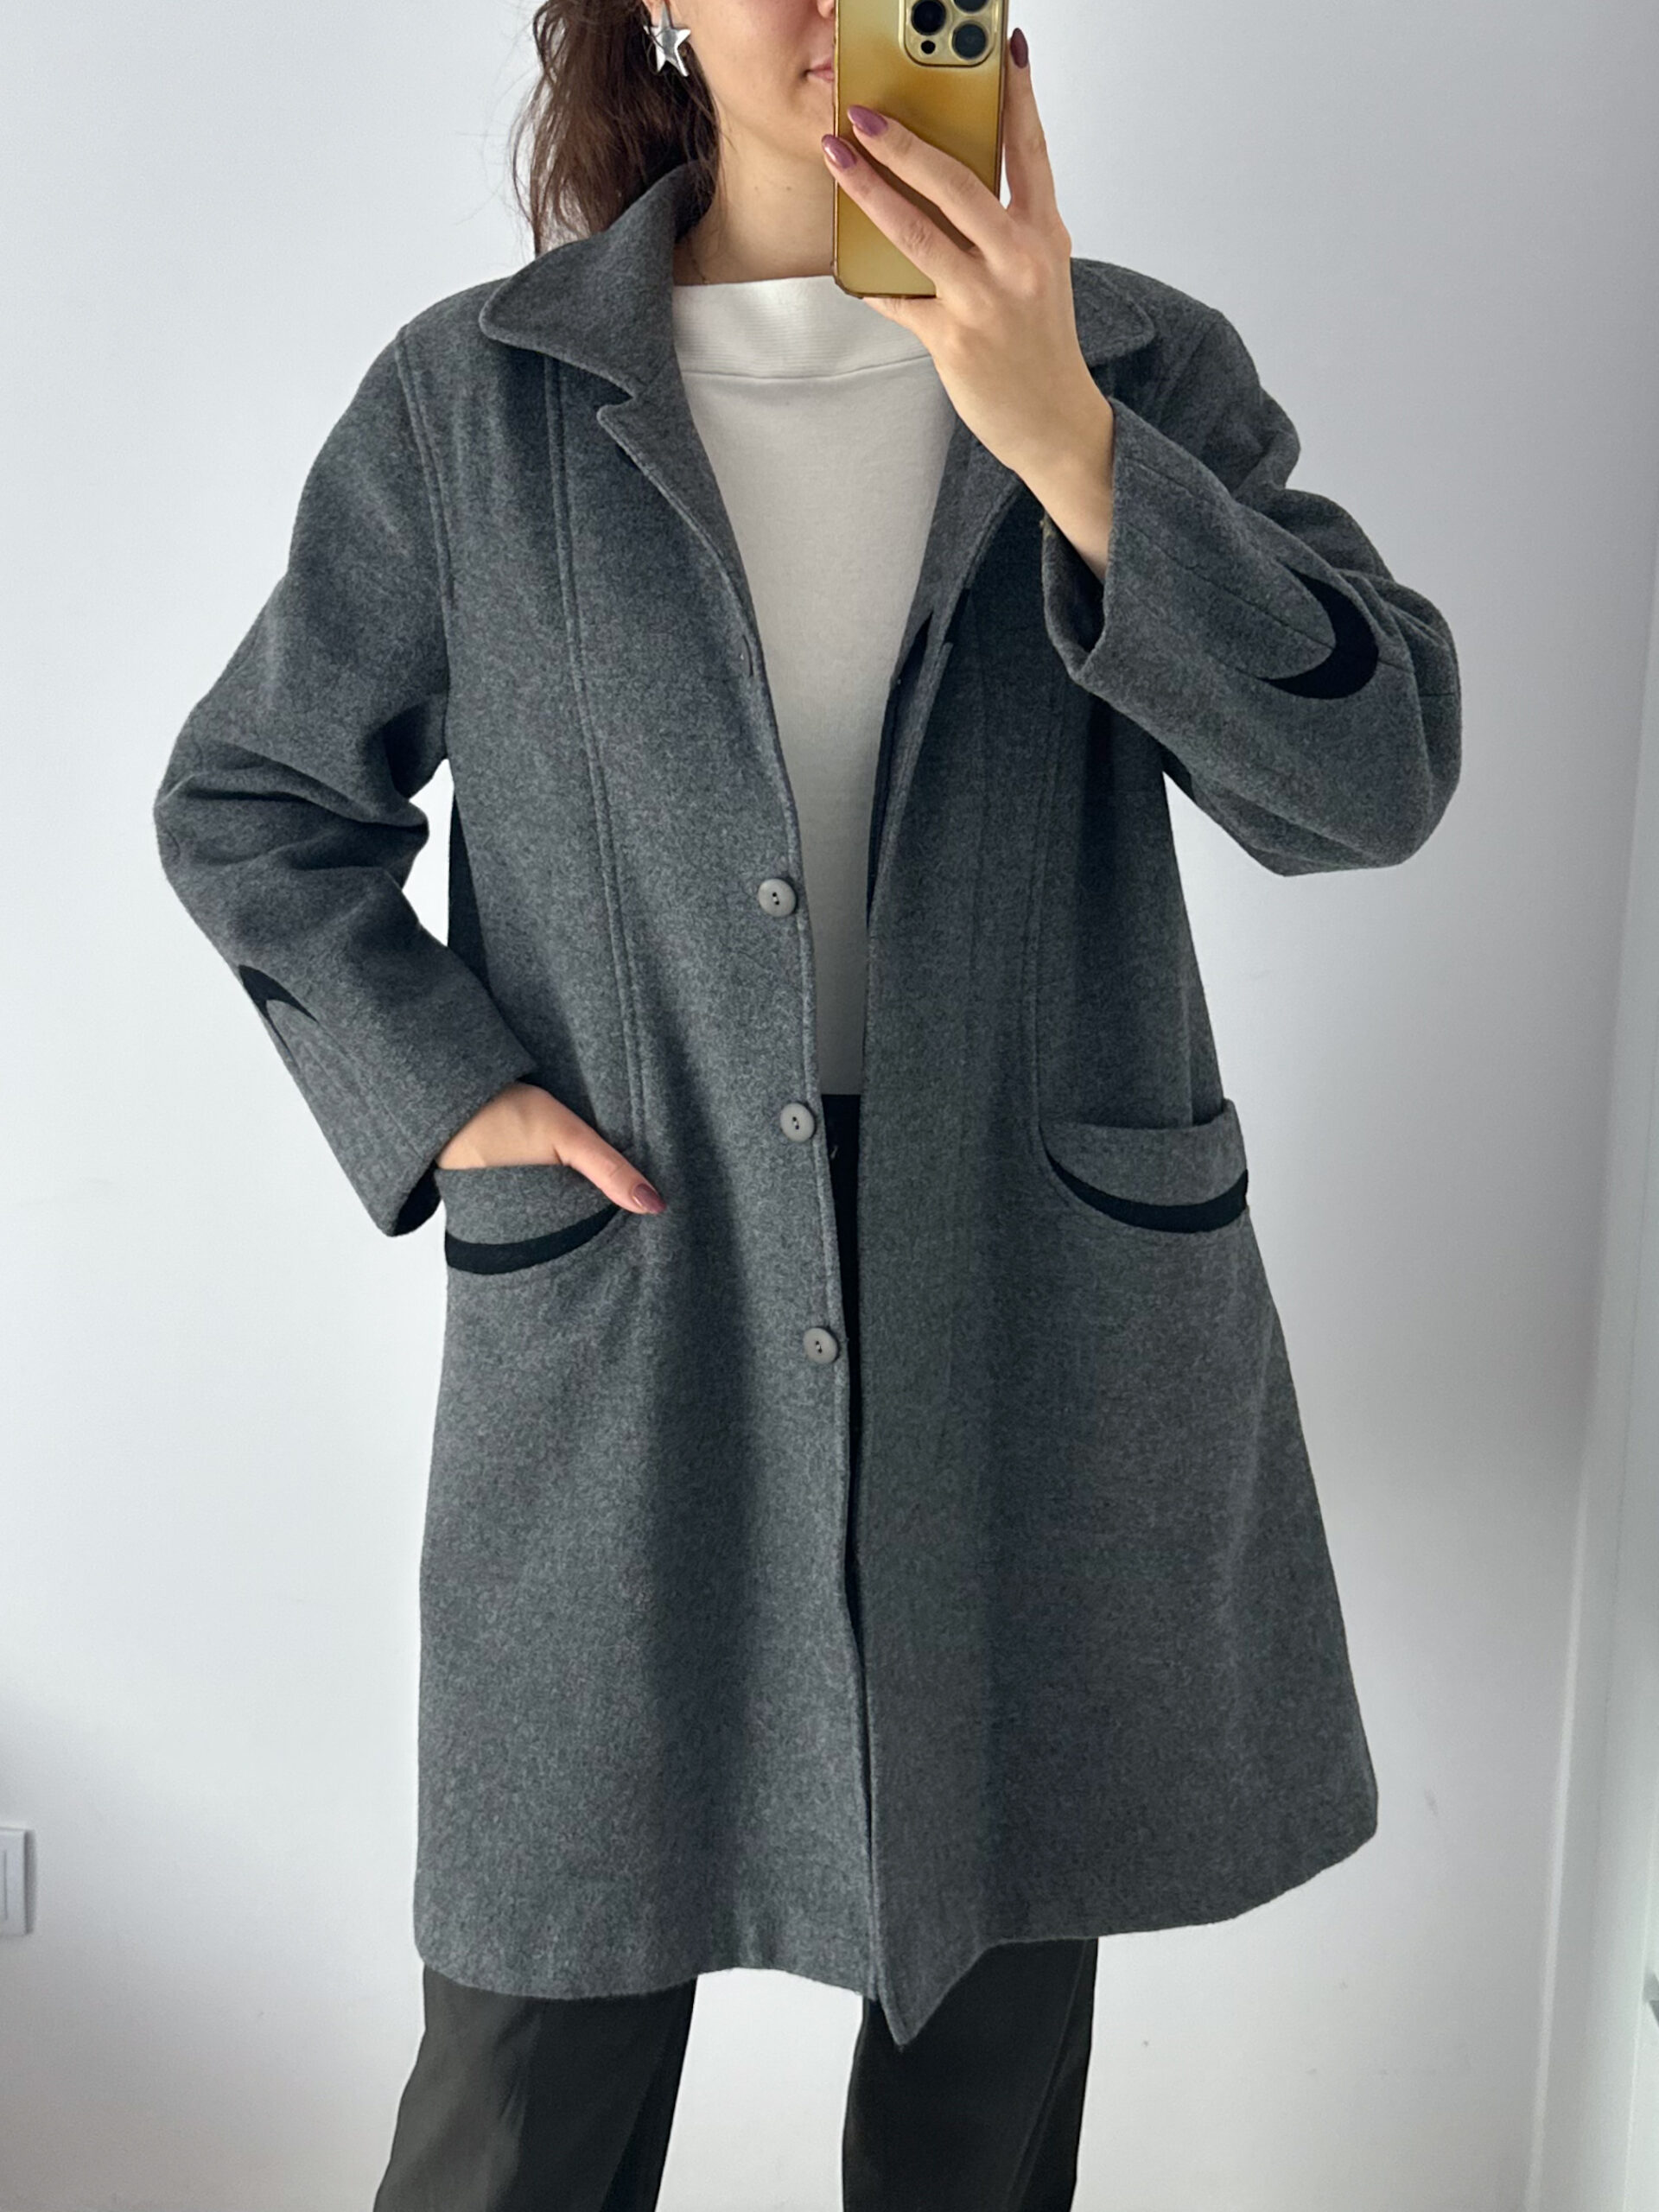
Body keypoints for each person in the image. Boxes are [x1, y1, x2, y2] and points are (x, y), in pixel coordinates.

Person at [150, 1, 1461, 2204]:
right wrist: (448, 1089)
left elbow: (1377, 770)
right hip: (642, 1288)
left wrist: (1073, 443)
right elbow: (253, 802)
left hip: (1029, 1305)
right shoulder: (476, 402)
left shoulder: (1136, 369)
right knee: (526, 2066)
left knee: (982, 2060)